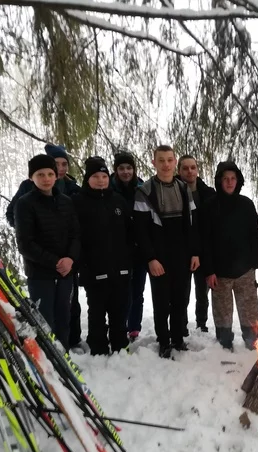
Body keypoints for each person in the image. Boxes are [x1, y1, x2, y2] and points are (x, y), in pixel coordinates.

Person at [134, 145, 200, 358]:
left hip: (181, 255)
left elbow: (192, 224)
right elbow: (140, 231)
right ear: (153, 163)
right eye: (161, 160)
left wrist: (194, 252)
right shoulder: (144, 191)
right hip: (159, 256)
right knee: (162, 301)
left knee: (180, 300)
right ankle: (164, 341)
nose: (166, 165)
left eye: (170, 160)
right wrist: (150, 258)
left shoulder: (184, 189)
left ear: (175, 162)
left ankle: (178, 338)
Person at [14, 154, 80, 350]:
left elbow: (76, 234)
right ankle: (48, 360)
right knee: (45, 320)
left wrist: (69, 259)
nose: (46, 178)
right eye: (40, 174)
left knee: (64, 316)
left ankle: (64, 357)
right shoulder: (24, 204)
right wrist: (55, 262)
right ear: (31, 177)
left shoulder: (66, 202)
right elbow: (25, 243)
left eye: (50, 173)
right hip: (41, 274)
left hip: (66, 272)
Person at [72, 157, 133, 355]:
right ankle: (98, 346)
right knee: (97, 310)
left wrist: (128, 260)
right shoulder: (78, 202)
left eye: (104, 176)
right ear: (87, 179)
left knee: (119, 309)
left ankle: (120, 343)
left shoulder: (118, 201)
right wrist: (83, 265)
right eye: (96, 176)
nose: (101, 180)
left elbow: (129, 234)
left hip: (120, 268)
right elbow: (75, 236)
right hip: (94, 269)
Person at [201, 161, 258, 351]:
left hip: (244, 271)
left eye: (233, 178)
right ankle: (225, 342)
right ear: (219, 181)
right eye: (225, 179)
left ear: (238, 180)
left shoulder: (247, 205)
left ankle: (251, 339)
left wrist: (254, 264)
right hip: (220, 273)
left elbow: (254, 236)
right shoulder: (209, 206)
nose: (229, 182)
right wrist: (209, 271)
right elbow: (205, 241)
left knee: (249, 310)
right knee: (222, 312)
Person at [178, 154, 216, 334]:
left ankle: (201, 323)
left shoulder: (208, 193)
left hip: (203, 249)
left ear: (197, 169)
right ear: (179, 171)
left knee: (203, 292)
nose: (189, 171)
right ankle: (181, 324)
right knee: (182, 293)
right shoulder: (173, 191)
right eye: (185, 168)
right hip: (182, 250)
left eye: (192, 167)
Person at [111, 151, 146, 342]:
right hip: (118, 250)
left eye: (129, 168)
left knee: (137, 291)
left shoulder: (141, 189)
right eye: (122, 168)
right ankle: (120, 324)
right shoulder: (109, 189)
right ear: (116, 170)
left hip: (139, 249)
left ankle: (134, 327)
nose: (126, 172)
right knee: (121, 291)